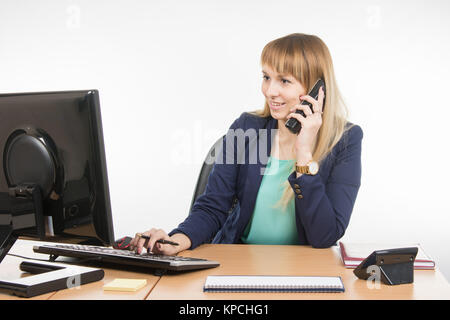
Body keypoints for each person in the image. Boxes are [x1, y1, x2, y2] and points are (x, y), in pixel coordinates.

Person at [130, 33, 363, 255]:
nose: (270, 91)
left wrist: (304, 153)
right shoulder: (247, 129)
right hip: (240, 262)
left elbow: (325, 236)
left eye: (284, 80)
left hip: (305, 271)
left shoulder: (345, 141)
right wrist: (173, 241)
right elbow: (212, 208)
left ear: (317, 89)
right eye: (266, 77)